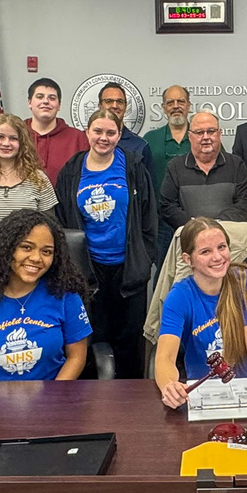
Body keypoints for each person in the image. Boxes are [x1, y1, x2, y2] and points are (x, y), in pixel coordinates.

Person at [55, 108, 157, 379]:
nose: (104, 138)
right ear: (87, 133)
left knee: (128, 340)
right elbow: (63, 219)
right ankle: (92, 405)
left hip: (128, 268)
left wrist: (145, 258)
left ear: (119, 135)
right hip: (88, 270)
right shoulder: (72, 170)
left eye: (111, 132)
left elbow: (149, 217)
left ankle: (130, 404)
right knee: (91, 339)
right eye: (97, 131)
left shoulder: (133, 167)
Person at [0, 210, 92, 382]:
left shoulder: (65, 294)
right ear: (6, 249)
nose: (36, 258)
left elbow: (77, 358)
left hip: (51, 401)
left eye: (47, 252)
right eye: (26, 247)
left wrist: (54, 398)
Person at [156, 217, 247, 408]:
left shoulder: (245, 280)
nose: (218, 257)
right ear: (188, 259)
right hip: (207, 393)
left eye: (222, 247)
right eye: (205, 251)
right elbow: (165, 357)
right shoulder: (179, 296)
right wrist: (169, 387)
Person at [159, 111, 247, 230]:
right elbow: (167, 206)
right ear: (190, 137)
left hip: (230, 239)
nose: (206, 137)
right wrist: (196, 227)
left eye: (211, 131)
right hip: (189, 240)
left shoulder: (236, 164)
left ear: (220, 134)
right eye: (199, 132)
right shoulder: (175, 167)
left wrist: (217, 225)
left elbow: (244, 203)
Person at [144, 85, 193, 268]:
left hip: (194, 219)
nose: (176, 106)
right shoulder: (150, 139)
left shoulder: (200, 136)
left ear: (189, 105)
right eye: (170, 102)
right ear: (163, 107)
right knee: (163, 273)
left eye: (181, 101)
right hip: (160, 222)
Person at [25, 78, 88, 185]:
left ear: (59, 105)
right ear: (30, 103)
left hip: (65, 201)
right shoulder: (16, 135)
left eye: (52, 98)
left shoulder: (78, 138)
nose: (45, 101)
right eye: (40, 97)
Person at [97, 80, 153, 173]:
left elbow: (148, 185)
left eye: (120, 101)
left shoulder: (140, 145)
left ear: (125, 107)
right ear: (100, 106)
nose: (115, 106)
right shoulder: (86, 140)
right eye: (109, 101)